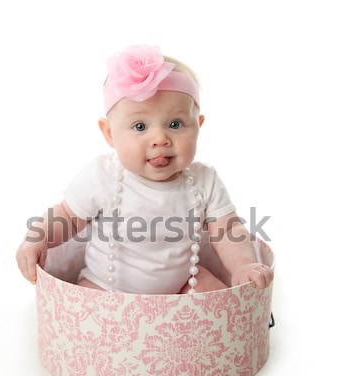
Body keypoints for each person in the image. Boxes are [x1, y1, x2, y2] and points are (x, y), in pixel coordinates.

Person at [16, 44, 273, 295]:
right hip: (105, 287)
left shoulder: (204, 180)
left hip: (183, 285)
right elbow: (66, 217)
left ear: (198, 126)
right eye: (140, 126)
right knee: (84, 303)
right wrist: (36, 239)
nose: (160, 139)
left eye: (175, 124)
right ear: (109, 134)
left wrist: (243, 266)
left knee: (214, 294)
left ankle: (208, 329)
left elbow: (228, 231)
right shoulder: (102, 176)